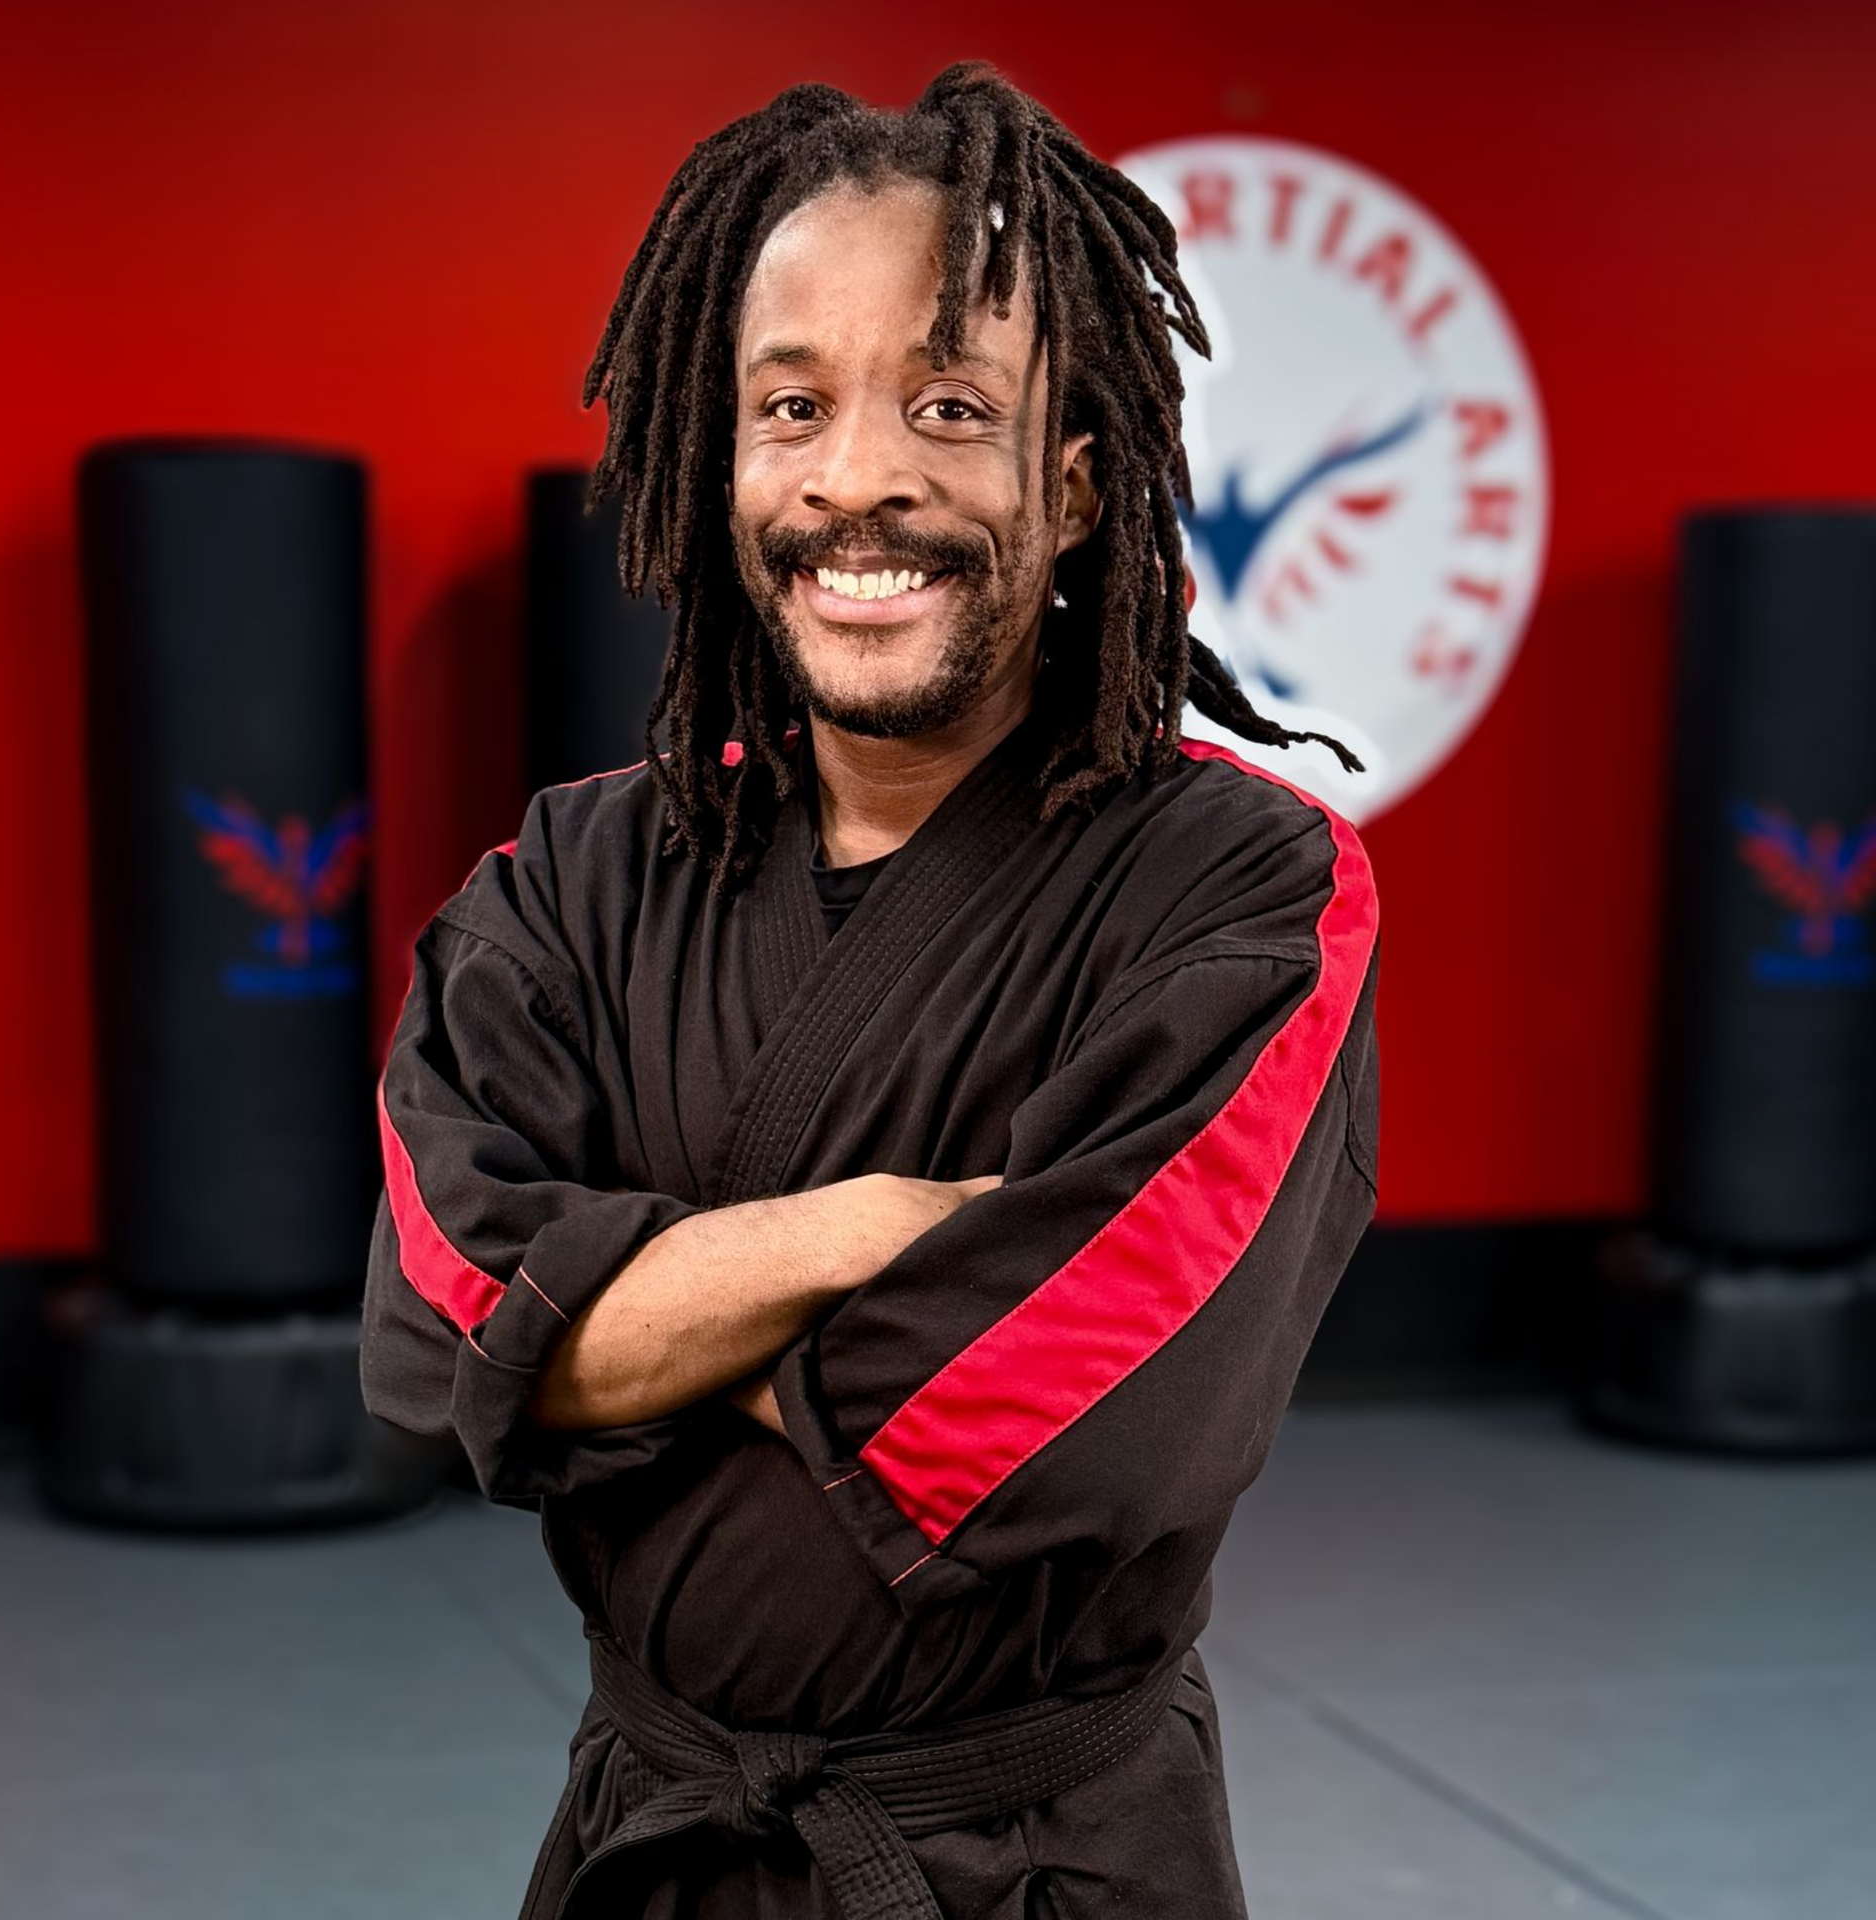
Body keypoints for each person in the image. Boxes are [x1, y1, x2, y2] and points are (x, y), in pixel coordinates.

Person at [360, 61, 1379, 1920]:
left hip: (1035, 1869)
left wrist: (604, 1334)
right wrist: (875, 1231)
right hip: (646, 1849)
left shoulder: (1242, 886)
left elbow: (1071, 1410)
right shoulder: (576, 879)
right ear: (721, 457)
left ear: (1071, 486)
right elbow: (442, 1327)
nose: (857, 480)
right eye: (793, 408)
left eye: (948, 405)